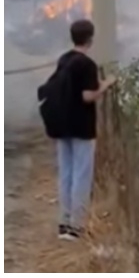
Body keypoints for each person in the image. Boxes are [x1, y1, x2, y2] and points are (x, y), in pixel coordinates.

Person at [42, 19, 115, 240]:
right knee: (82, 175)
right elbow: (87, 96)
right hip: (82, 127)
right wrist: (106, 84)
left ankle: (64, 223)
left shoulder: (64, 60)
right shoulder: (87, 65)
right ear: (90, 38)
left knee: (66, 173)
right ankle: (77, 227)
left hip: (62, 126)